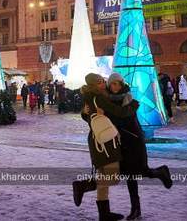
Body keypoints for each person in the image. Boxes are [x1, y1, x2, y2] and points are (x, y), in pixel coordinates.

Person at [105, 73, 172, 220]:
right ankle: (136, 209)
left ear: (121, 84)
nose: (115, 87)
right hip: (121, 144)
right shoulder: (107, 100)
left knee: (140, 172)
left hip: (134, 142)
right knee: (130, 176)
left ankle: (160, 173)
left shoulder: (128, 100)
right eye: (112, 84)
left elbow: (123, 120)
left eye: (117, 84)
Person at [74, 73, 139, 221]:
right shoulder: (99, 98)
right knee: (112, 177)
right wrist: (134, 105)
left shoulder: (89, 97)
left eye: (103, 81)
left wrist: (84, 114)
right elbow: (120, 112)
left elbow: (88, 116)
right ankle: (83, 186)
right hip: (106, 142)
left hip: (96, 139)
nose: (104, 84)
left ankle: (104, 214)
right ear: (93, 85)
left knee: (104, 176)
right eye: (100, 82)